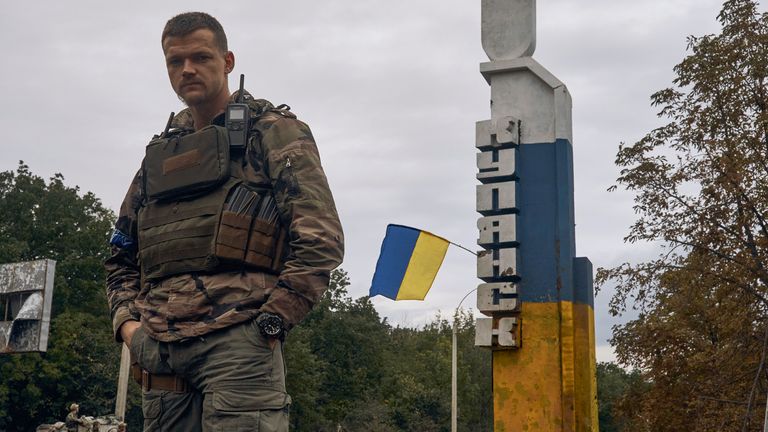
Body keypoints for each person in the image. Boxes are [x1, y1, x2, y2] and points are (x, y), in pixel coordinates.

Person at [105, 12, 344, 432]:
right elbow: (120, 255)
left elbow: (320, 241)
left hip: (239, 346)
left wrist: (270, 324)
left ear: (228, 60)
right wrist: (129, 328)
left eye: (200, 57)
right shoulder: (161, 153)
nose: (187, 70)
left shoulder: (273, 133)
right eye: (175, 62)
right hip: (160, 350)